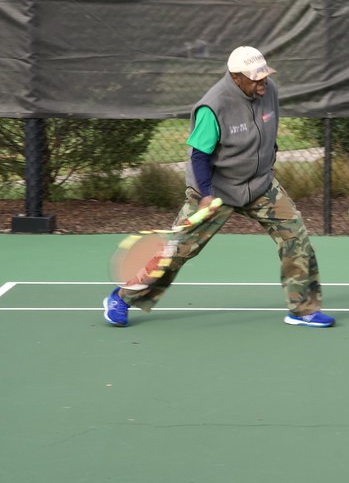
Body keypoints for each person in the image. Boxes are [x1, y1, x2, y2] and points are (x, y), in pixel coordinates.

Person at [103, 46, 335, 329]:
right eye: (255, 78)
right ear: (236, 77)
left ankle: (303, 309)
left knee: (296, 236)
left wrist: (268, 161)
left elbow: (267, 129)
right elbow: (199, 156)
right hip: (216, 190)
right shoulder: (213, 106)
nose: (262, 82)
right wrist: (206, 196)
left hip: (260, 184)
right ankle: (122, 298)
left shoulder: (268, 90)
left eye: (264, 76)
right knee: (177, 251)